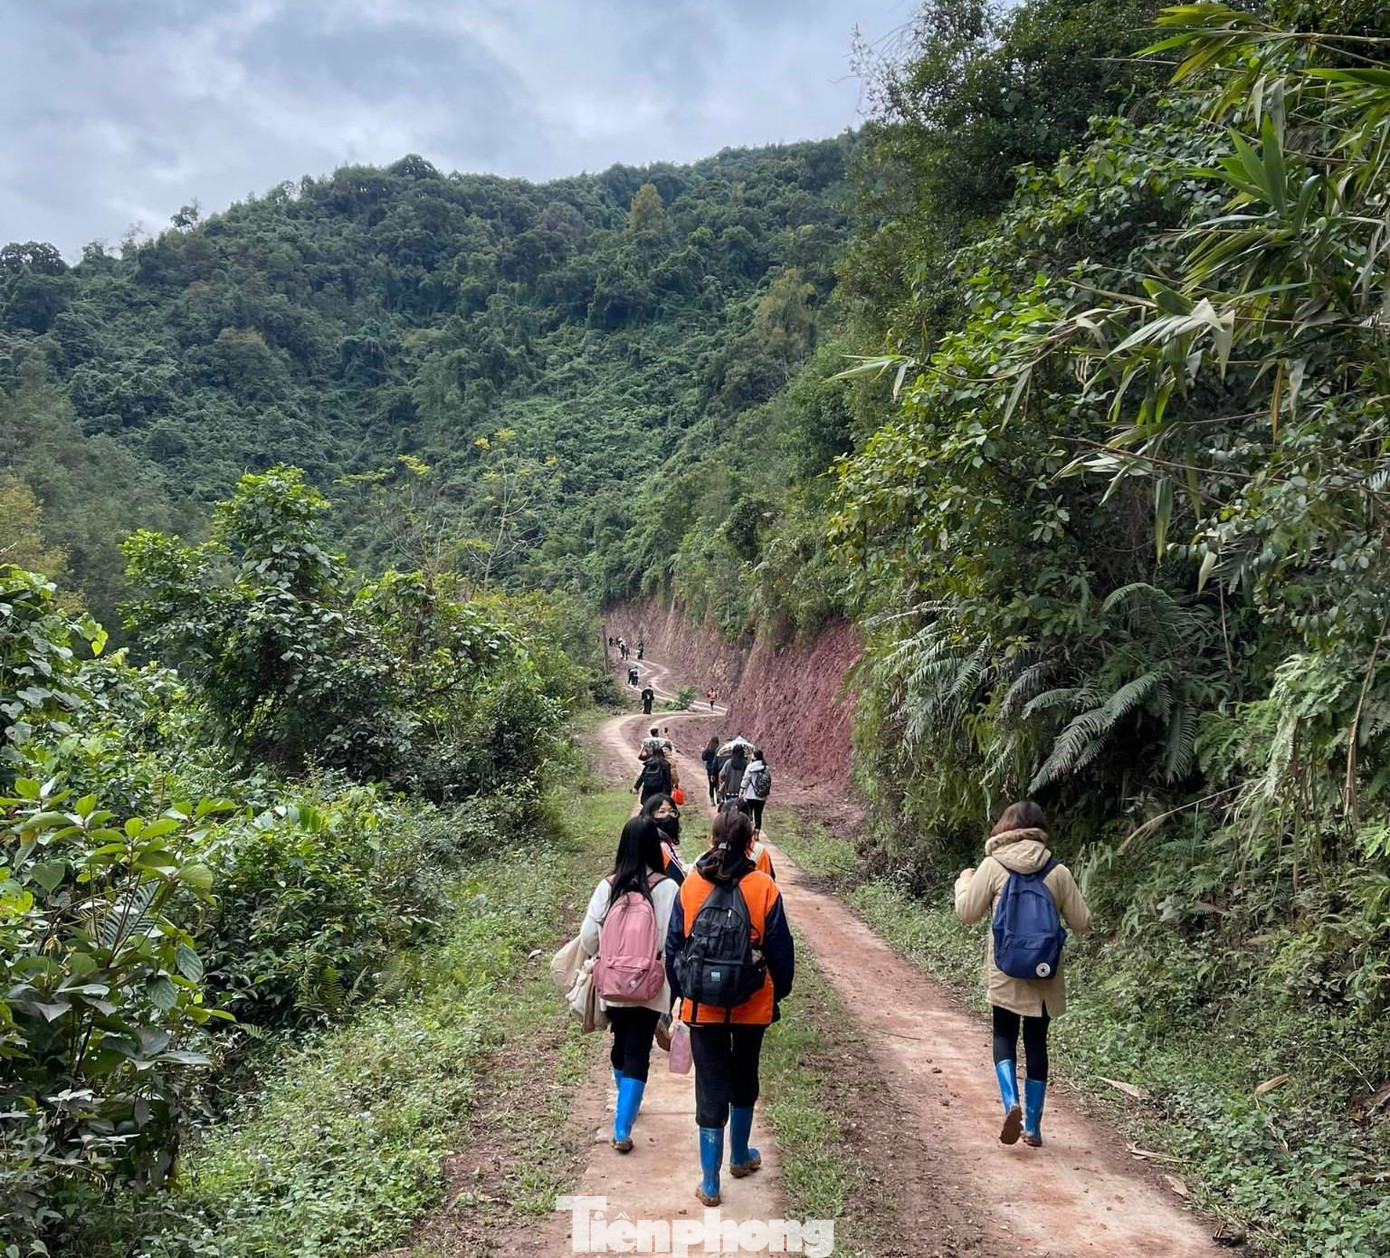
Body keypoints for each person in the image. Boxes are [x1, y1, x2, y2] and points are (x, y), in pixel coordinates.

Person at [666, 809, 794, 1207]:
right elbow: (781, 953)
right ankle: (740, 1157)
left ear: (711, 838)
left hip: (701, 1006)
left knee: (710, 1086)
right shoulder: (764, 887)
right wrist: (777, 994)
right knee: (744, 1076)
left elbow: (673, 949)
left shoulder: (690, 886)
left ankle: (710, 1182)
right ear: (750, 841)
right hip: (752, 1004)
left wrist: (681, 994)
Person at [954, 800, 1091, 1148]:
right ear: (1039, 830)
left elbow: (967, 913)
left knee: (1003, 1034)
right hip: (1045, 974)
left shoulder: (993, 865)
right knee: (1036, 1043)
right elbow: (1082, 923)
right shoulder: (1056, 871)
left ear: (1006, 827)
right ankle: (1032, 1126)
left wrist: (964, 882)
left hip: (1005, 970)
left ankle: (1010, 1102)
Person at [580, 816, 679, 1153]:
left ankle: (626, 1109)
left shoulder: (608, 886)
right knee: (639, 1049)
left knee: (621, 1045)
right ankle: (622, 1126)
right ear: (656, 847)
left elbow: (588, 938)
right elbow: (674, 940)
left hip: (613, 982)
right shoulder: (667, 889)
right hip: (650, 984)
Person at [641, 792, 686, 885]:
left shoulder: (648, 840)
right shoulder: (662, 848)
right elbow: (678, 881)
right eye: (662, 812)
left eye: (671, 811)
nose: (668, 816)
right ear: (650, 816)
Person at [739, 748, 771, 832]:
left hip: (750, 795)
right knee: (758, 814)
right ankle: (757, 832)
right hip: (761, 796)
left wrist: (742, 789)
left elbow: (746, 779)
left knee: (749, 814)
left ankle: (749, 830)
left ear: (755, 757)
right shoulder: (766, 767)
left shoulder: (750, 766)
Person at [718, 744, 747, 808]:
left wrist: (722, 782)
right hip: (741, 792)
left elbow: (721, 774)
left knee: (729, 810)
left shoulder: (728, 762)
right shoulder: (745, 764)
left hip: (729, 791)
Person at [701, 736, 721, 806]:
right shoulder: (719, 749)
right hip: (717, 769)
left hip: (709, 769)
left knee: (711, 784)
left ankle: (712, 800)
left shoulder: (708, 749)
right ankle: (718, 798)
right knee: (718, 784)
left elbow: (703, 758)